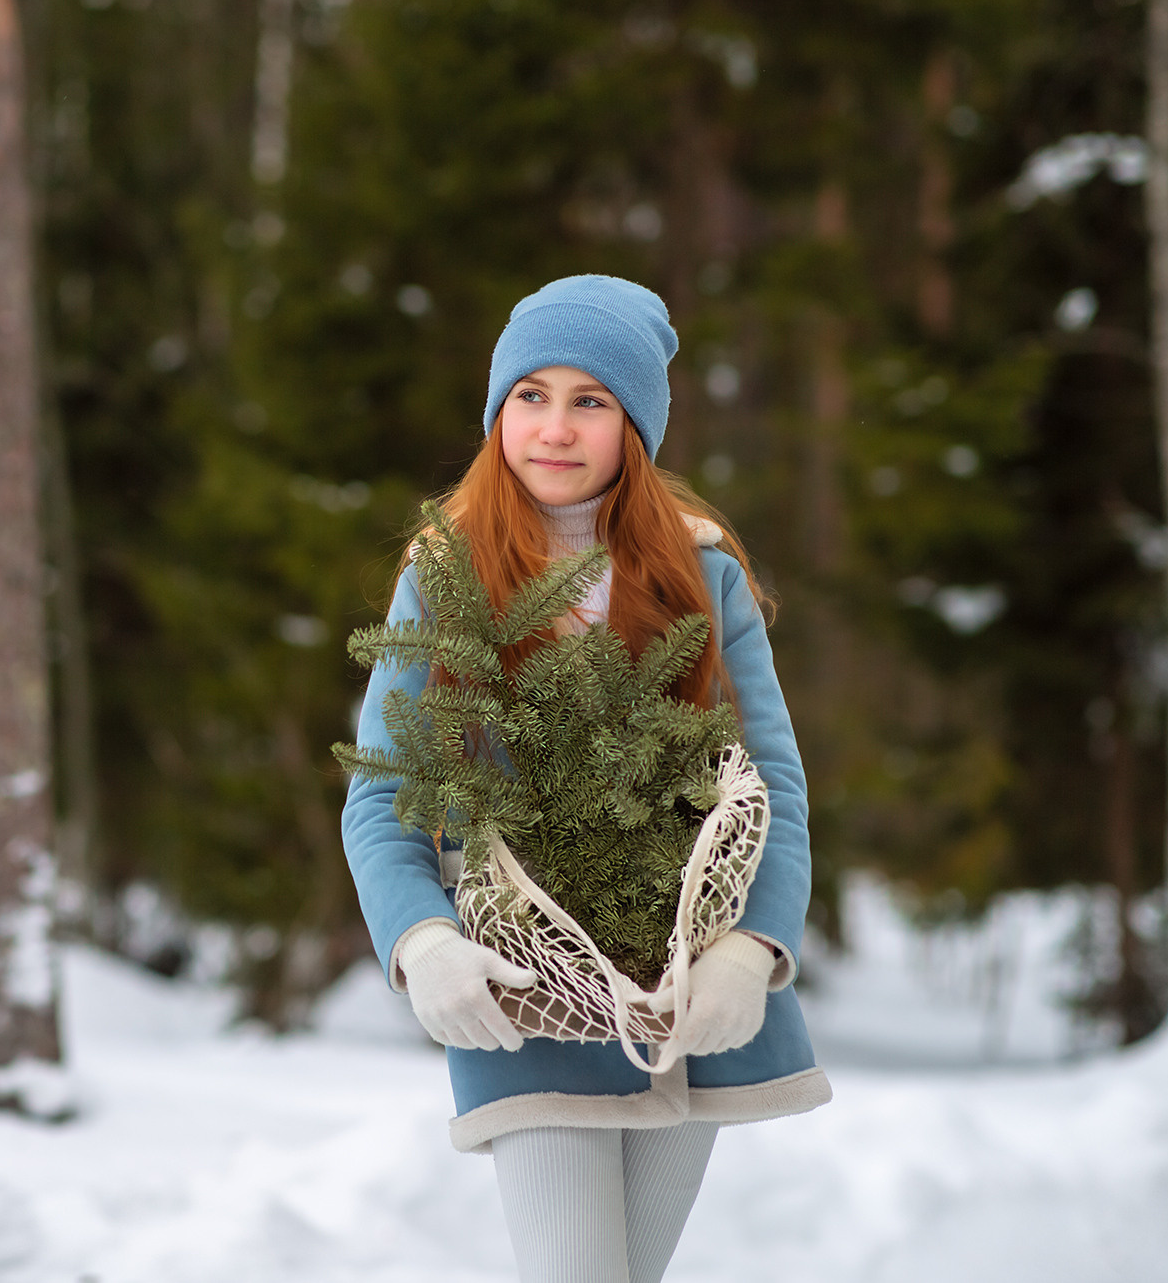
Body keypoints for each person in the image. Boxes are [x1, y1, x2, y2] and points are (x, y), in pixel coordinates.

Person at [340, 275, 830, 1283]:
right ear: (495, 412)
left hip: (683, 988)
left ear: (634, 425)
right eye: (530, 395)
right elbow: (384, 788)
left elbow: (767, 772)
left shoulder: (700, 574)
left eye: (588, 400)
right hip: (528, 986)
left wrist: (753, 948)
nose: (553, 428)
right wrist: (420, 941)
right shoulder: (446, 575)